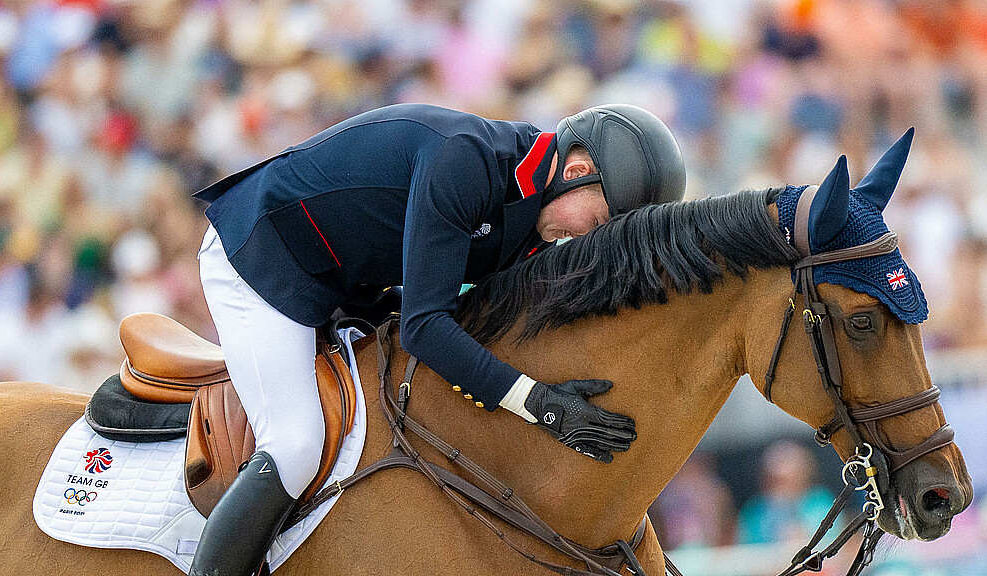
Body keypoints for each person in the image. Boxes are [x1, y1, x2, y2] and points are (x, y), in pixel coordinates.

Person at [190, 103, 685, 576]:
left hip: (344, 289)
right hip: (259, 258)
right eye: (596, 224)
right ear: (576, 171)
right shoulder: (465, 159)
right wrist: (540, 403)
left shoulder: (534, 218)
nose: (584, 239)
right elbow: (426, 328)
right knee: (297, 445)